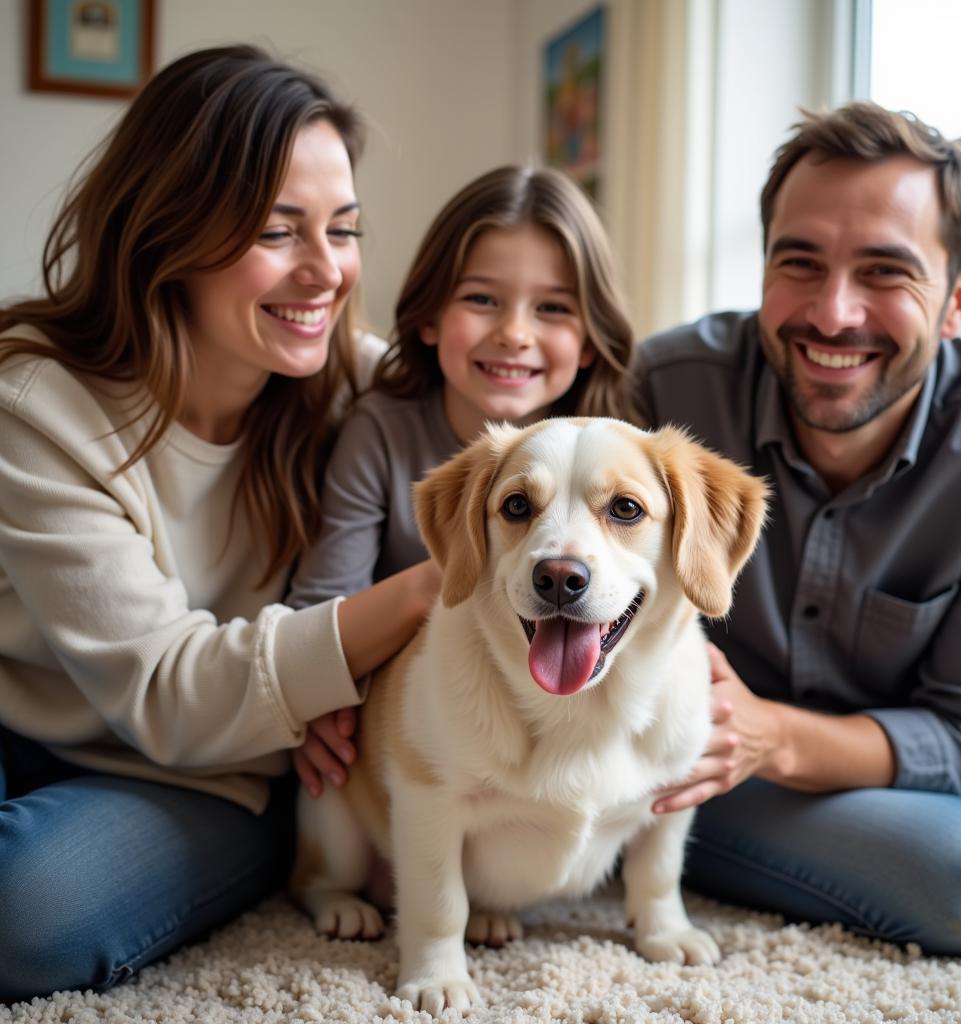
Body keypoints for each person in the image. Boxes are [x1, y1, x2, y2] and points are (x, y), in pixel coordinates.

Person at [0, 45, 440, 1003]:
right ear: (171, 232)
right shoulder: (42, 406)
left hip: (212, 775)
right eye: (280, 231)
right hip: (36, 729)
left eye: (345, 229)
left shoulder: (356, 388)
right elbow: (163, 681)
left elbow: (521, 424)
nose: (326, 271)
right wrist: (419, 596)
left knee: (24, 915)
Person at [635, 101, 961, 956]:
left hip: (880, 751)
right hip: (697, 757)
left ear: (958, 298)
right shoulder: (665, 391)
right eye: (799, 262)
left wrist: (772, 736)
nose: (833, 313)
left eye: (886, 273)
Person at [285, 165, 639, 795]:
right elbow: (321, 608)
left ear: (589, 342)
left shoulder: (618, 455)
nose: (514, 333)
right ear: (428, 317)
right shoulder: (381, 431)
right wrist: (314, 703)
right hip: (423, 740)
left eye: (553, 307)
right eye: (481, 299)